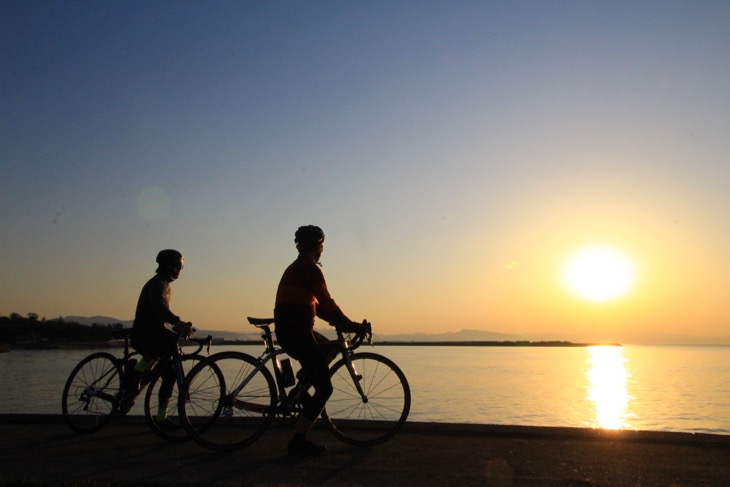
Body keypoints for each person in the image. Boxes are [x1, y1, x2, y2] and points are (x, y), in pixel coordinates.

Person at [274, 225, 368, 456]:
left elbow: (318, 308)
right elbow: (326, 304)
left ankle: (301, 388)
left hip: (294, 330)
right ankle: (298, 442)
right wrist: (352, 326)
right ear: (319, 246)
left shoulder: (297, 268)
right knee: (325, 388)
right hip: (298, 333)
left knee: (327, 350)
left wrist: (343, 323)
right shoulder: (310, 270)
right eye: (322, 245)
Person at [129, 249, 193, 430]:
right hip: (144, 335)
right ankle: (136, 371)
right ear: (173, 267)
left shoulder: (164, 284)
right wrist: (177, 322)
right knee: (167, 340)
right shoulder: (157, 284)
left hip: (154, 333)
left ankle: (161, 418)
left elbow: (161, 313)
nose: (181, 270)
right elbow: (158, 306)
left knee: (170, 374)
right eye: (180, 267)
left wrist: (179, 325)